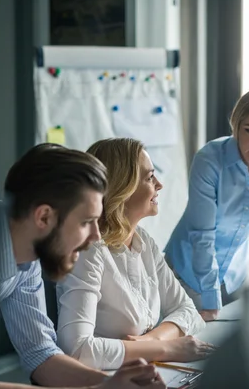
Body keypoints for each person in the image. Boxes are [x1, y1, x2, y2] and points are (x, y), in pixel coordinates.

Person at [0, 143, 166, 389]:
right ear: (44, 217)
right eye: (87, 222)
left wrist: (112, 383)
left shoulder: (28, 260)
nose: (96, 236)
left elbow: (40, 354)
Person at [56, 138, 213, 371]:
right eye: (150, 177)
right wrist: (167, 348)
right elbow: (77, 351)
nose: (159, 184)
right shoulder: (88, 249)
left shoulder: (143, 241)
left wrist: (151, 341)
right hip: (103, 380)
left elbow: (188, 311)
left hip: (141, 370)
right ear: (123, 188)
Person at [164, 86, 249, 322]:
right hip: (187, 275)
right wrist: (209, 300)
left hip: (236, 276)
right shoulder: (209, 159)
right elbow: (202, 235)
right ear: (236, 126)